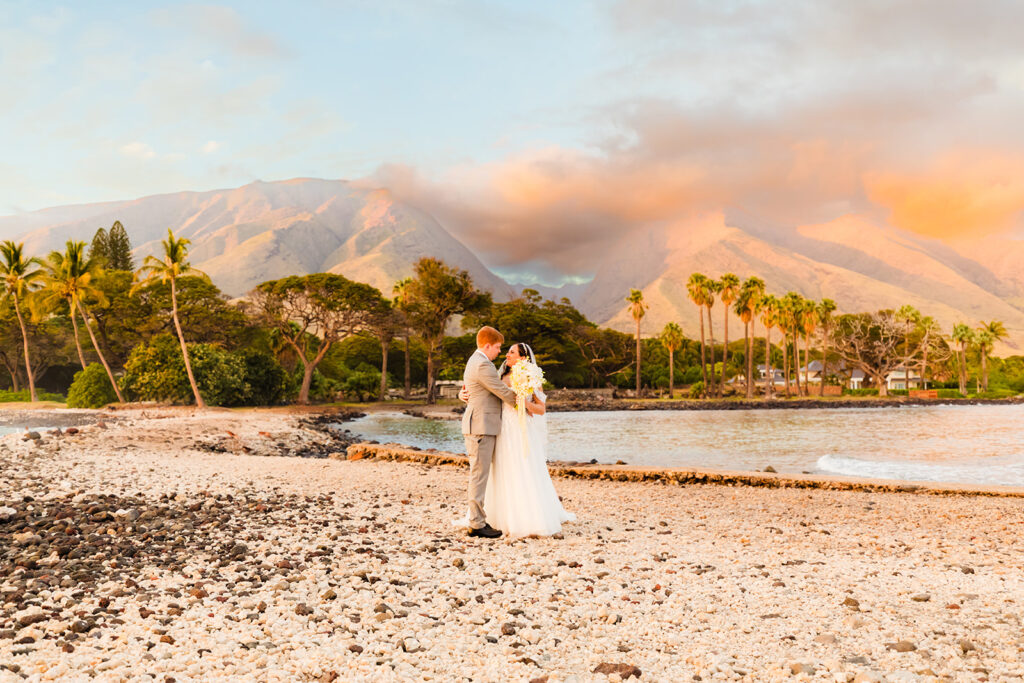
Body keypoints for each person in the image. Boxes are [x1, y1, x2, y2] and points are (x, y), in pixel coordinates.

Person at [459, 340, 575, 538]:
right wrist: (462, 394)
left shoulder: (531, 377)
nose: (506, 355)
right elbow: (482, 391)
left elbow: (541, 409)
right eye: (506, 351)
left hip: (519, 430)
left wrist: (524, 405)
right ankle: (495, 516)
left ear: (523, 358)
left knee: (521, 469)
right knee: (500, 471)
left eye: (512, 352)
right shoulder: (499, 374)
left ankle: (526, 517)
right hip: (500, 429)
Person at [461, 326, 518, 538]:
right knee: (479, 474)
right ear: (487, 345)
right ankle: (476, 524)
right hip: (480, 426)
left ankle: (478, 519)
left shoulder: (477, 361)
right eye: (497, 347)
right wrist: (524, 405)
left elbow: (472, 390)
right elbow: (500, 390)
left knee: (480, 473)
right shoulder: (482, 364)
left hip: (482, 424)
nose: (499, 351)